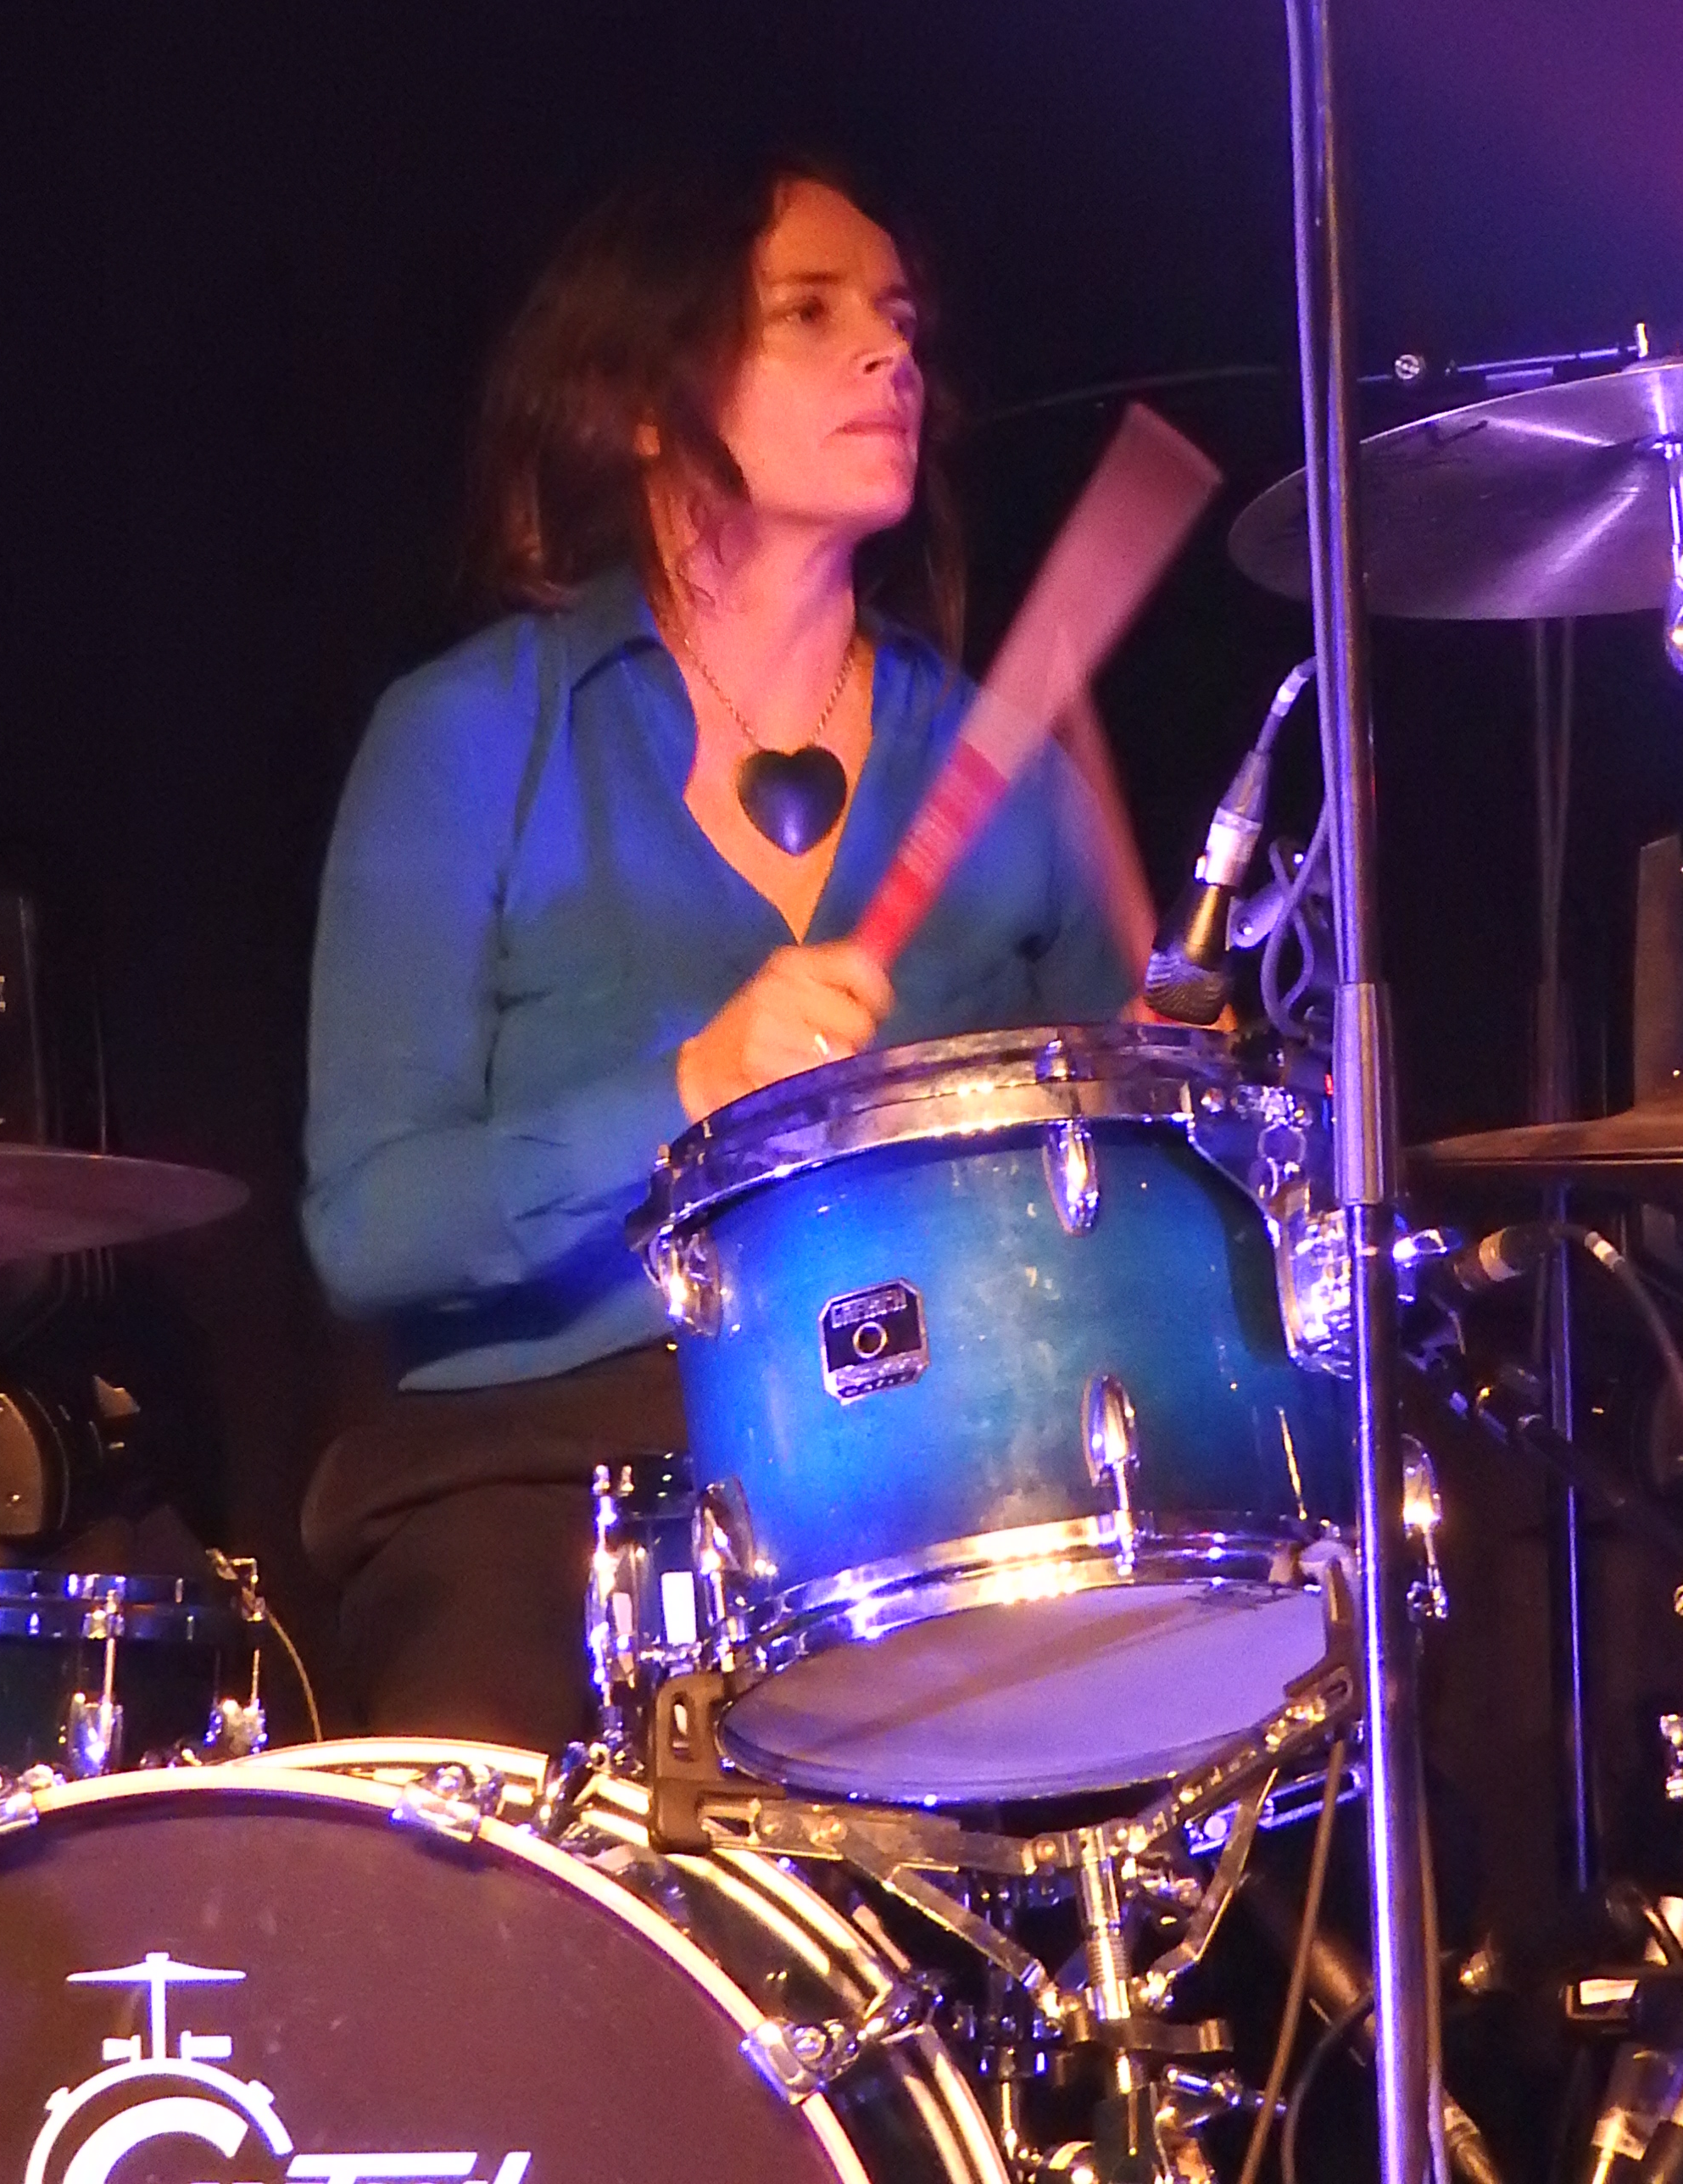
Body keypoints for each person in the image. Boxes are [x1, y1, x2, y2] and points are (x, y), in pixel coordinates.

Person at [298, 155, 1147, 1747]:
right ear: (641, 401)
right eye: (808, 314)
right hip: (548, 1479)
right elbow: (371, 1226)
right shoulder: (470, 736)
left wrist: (1164, 1071)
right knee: (478, 1823)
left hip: (933, 1462)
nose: (889, 356)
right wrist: (689, 1090)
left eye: (899, 321)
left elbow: (1116, 1172)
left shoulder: (1004, 764)